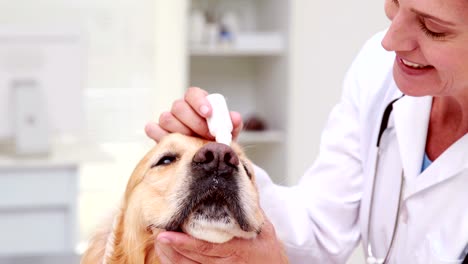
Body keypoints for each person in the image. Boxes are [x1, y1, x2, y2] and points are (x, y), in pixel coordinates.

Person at [144, 0, 468, 263]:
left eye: (433, 28)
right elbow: (319, 230)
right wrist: (226, 170)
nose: (390, 40)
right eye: (395, 3)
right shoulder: (379, 67)